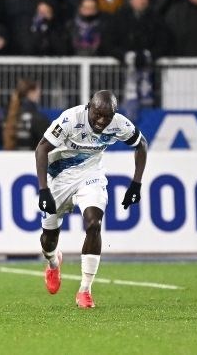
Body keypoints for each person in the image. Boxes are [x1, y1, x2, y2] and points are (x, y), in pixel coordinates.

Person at [36, 90, 147, 308]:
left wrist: (136, 183)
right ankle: (53, 262)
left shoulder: (119, 124)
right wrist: (43, 189)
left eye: (108, 116)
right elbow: (42, 148)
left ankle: (85, 290)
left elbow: (141, 144)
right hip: (59, 178)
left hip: (91, 175)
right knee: (48, 240)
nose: (102, 121)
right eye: (98, 114)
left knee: (94, 223)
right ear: (89, 107)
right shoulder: (70, 119)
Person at [0, 78, 50, 150]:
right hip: (30, 158)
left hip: (8, 158)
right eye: (38, 91)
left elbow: (1, 140)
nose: (39, 94)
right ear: (31, 92)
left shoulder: (6, 115)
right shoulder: (37, 118)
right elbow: (46, 143)